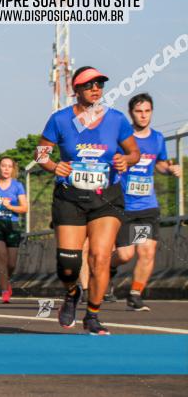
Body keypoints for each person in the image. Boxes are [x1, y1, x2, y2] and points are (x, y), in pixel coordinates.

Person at [36, 66, 139, 335]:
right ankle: (72, 293)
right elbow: (41, 154)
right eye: (89, 85)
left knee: (100, 257)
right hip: (70, 197)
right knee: (68, 264)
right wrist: (53, 166)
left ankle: (92, 315)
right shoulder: (60, 120)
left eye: (99, 84)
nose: (96, 89)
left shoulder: (116, 119)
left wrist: (125, 160)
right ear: (76, 90)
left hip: (107, 197)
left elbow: (134, 152)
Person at [111, 93, 182, 311]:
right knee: (125, 255)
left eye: (147, 111)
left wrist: (169, 170)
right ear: (131, 113)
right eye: (138, 111)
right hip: (124, 205)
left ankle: (135, 294)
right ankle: (108, 268)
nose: (143, 115)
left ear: (151, 112)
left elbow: (159, 163)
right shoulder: (123, 139)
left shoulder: (157, 138)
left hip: (146, 206)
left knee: (146, 252)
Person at [0, 156, 29, 303]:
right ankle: (4, 291)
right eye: (4, 166)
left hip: (12, 224)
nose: (6, 169)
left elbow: (24, 207)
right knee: (1, 256)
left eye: (9, 166)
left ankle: (6, 281)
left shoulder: (18, 186)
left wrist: (10, 207)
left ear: (13, 169)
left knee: (11, 263)